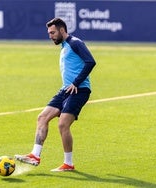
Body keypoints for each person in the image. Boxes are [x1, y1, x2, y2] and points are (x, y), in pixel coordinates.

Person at [15, 18, 96, 172]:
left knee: (63, 124)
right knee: (42, 117)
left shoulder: (75, 43)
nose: (50, 36)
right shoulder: (64, 46)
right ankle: (35, 155)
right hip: (66, 90)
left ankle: (68, 164)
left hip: (80, 90)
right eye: (49, 33)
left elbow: (90, 61)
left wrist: (76, 82)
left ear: (61, 30)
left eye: (52, 32)